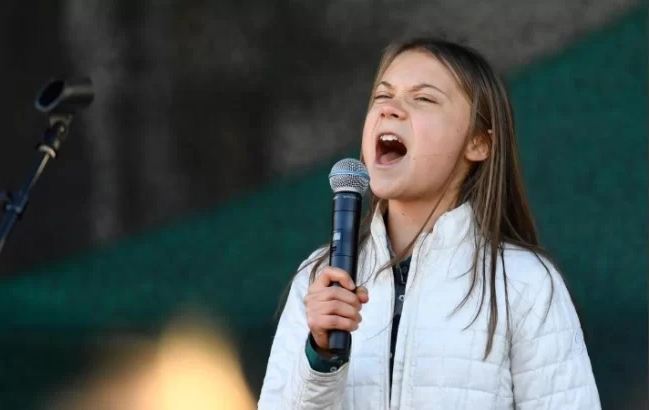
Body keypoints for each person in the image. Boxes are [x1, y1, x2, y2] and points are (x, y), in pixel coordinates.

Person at [257, 38, 601, 410]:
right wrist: (320, 358)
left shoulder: (524, 283)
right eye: (381, 96)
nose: (390, 108)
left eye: (423, 99)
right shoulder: (319, 277)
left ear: (478, 143)